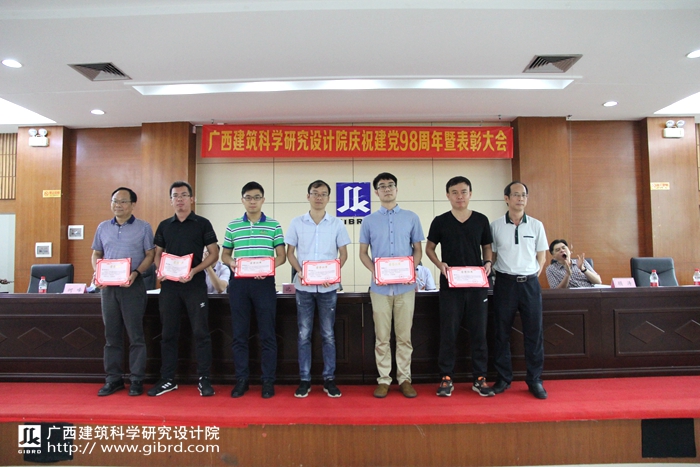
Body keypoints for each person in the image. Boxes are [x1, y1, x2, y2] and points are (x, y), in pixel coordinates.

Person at [425, 176, 495, 397]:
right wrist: (440, 264)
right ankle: (446, 378)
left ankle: (480, 378)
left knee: (479, 333)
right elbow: (429, 248)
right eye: (454, 192)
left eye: (463, 192)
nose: (459, 196)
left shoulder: (481, 220)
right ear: (448, 195)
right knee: (448, 332)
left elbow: (487, 246)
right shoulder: (440, 221)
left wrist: (488, 263)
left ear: (470, 194)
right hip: (451, 284)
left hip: (477, 284)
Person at [149, 181, 219, 397]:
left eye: (183, 195)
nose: (179, 199)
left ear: (192, 199)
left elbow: (214, 253)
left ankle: (204, 379)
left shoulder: (202, 223)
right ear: (171, 200)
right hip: (169, 286)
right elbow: (158, 253)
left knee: (201, 332)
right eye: (175, 196)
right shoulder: (164, 225)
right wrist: (159, 270)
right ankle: (168, 379)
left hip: (194, 285)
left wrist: (195, 270)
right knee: (168, 333)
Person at [359, 172, 424, 398]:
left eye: (390, 185)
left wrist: (410, 270)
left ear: (396, 189)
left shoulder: (411, 217)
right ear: (376, 192)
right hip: (380, 289)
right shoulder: (368, 220)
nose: (387, 189)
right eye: (382, 186)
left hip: (405, 288)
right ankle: (384, 380)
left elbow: (418, 250)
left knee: (404, 337)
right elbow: (363, 253)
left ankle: (404, 379)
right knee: (382, 337)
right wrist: (375, 271)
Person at [285, 180, 351, 398]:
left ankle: (329, 379)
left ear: (328, 198)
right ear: (308, 196)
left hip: (328, 288)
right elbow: (290, 253)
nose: (319, 197)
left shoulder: (336, 224)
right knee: (303, 334)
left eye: (323, 194)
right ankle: (304, 380)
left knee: (328, 334)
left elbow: (343, 254)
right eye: (315, 193)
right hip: (303, 287)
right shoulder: (297, 222)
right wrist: (299, 271)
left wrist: (332, 274)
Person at [222, 181, 286, 399]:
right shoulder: (233, 226)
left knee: (268, 334)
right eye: (248, 197)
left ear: (263, 200)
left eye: (257, 197)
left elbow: (281, 256)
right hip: (239, 284)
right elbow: (224, 255)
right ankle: (242, 380)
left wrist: (267, 268)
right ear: (242, 200)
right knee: (239, 334)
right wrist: (231, 262)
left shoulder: (274, 225)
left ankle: (268, 381)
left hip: (264, 283)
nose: (252, 201)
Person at [92, 187, 155, 397]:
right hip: (108, 288)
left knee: (136, 335)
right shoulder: (103, 227)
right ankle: (114, 379)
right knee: (111, 336)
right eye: (114, 201)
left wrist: (136, 273)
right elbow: (97, 253)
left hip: (132, 286)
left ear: (132, 204)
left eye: (122, 201)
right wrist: (98, 273)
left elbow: (150, 255)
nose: (117, 205)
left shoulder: (143, 227)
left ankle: (136, 380)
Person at [490, 181, 549, 399]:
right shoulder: (495, 226)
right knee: (501, 333)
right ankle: (503, 378)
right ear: (506, 198)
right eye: (516, 195)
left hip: (530, 285)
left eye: (523, 195)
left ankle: (535, 380)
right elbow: (491, 256)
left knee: (534, 333)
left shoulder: (536, 225)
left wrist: (533, 274)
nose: (520, 198)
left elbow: (542, 256)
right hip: (504, 284)